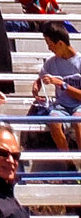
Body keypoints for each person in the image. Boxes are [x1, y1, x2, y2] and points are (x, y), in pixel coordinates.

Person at [31, 23, 81, 157]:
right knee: (54, 122)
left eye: (50, 45)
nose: (49, 48)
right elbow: (41, 77)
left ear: (60, 44)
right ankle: (69, 162)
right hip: (61, 106)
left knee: (79, 123)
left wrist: (62, 84)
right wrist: (37, 86)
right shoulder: (51, 62)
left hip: (79, 106)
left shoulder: (79, 62)